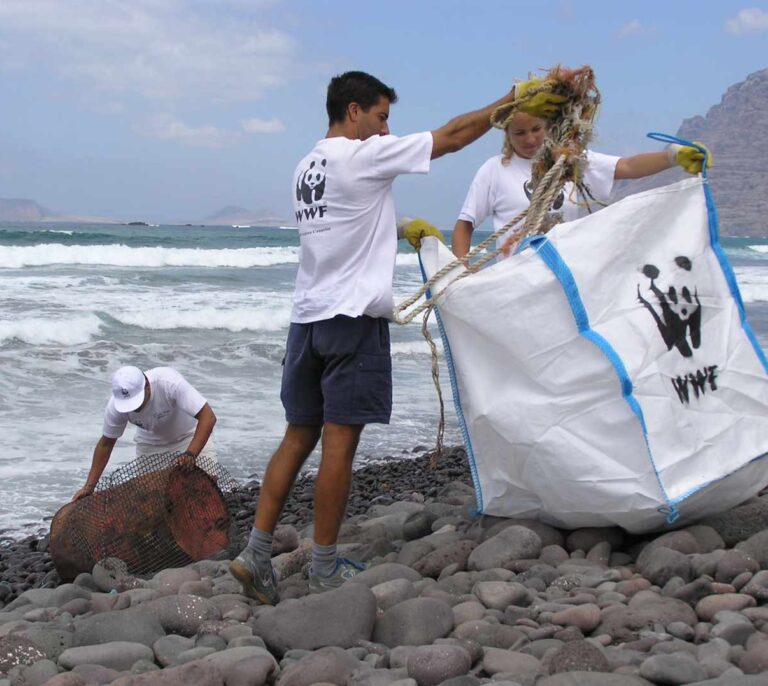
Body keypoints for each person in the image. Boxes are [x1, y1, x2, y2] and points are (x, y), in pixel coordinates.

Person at [229, 70, 567, 605]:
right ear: (355, 111)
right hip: (352, 322)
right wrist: (511, 103)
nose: (387, 131)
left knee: (298, 436)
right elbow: (453, 136)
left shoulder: (306, 165)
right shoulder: (361, 155)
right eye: (382, 117)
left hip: (307, 320)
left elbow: (348, 225)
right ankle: (322, 566)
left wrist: (401, 226)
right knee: (340, 444)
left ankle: (254, 553)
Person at [452, 110, 712, 257]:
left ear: (550, 127)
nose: (529, 138)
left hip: (571, 273)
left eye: (536, 129)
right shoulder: (495, 170)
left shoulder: (572, 161)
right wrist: (461, 275)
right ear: (507, 135)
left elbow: (628, 166)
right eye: (519, 133)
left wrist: (672, 156)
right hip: (516, 281)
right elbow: (465, 225)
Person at [72, 366, 218, 501]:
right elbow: (106, 444)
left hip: (189, 436)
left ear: (147, 386)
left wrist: (190, 454)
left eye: (136, 402)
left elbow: (208, 417)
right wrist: (89, 486)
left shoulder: (168, 382)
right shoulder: (115, 406)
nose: (134, 409)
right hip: (151, 445)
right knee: (153, 499)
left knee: (206, 487)